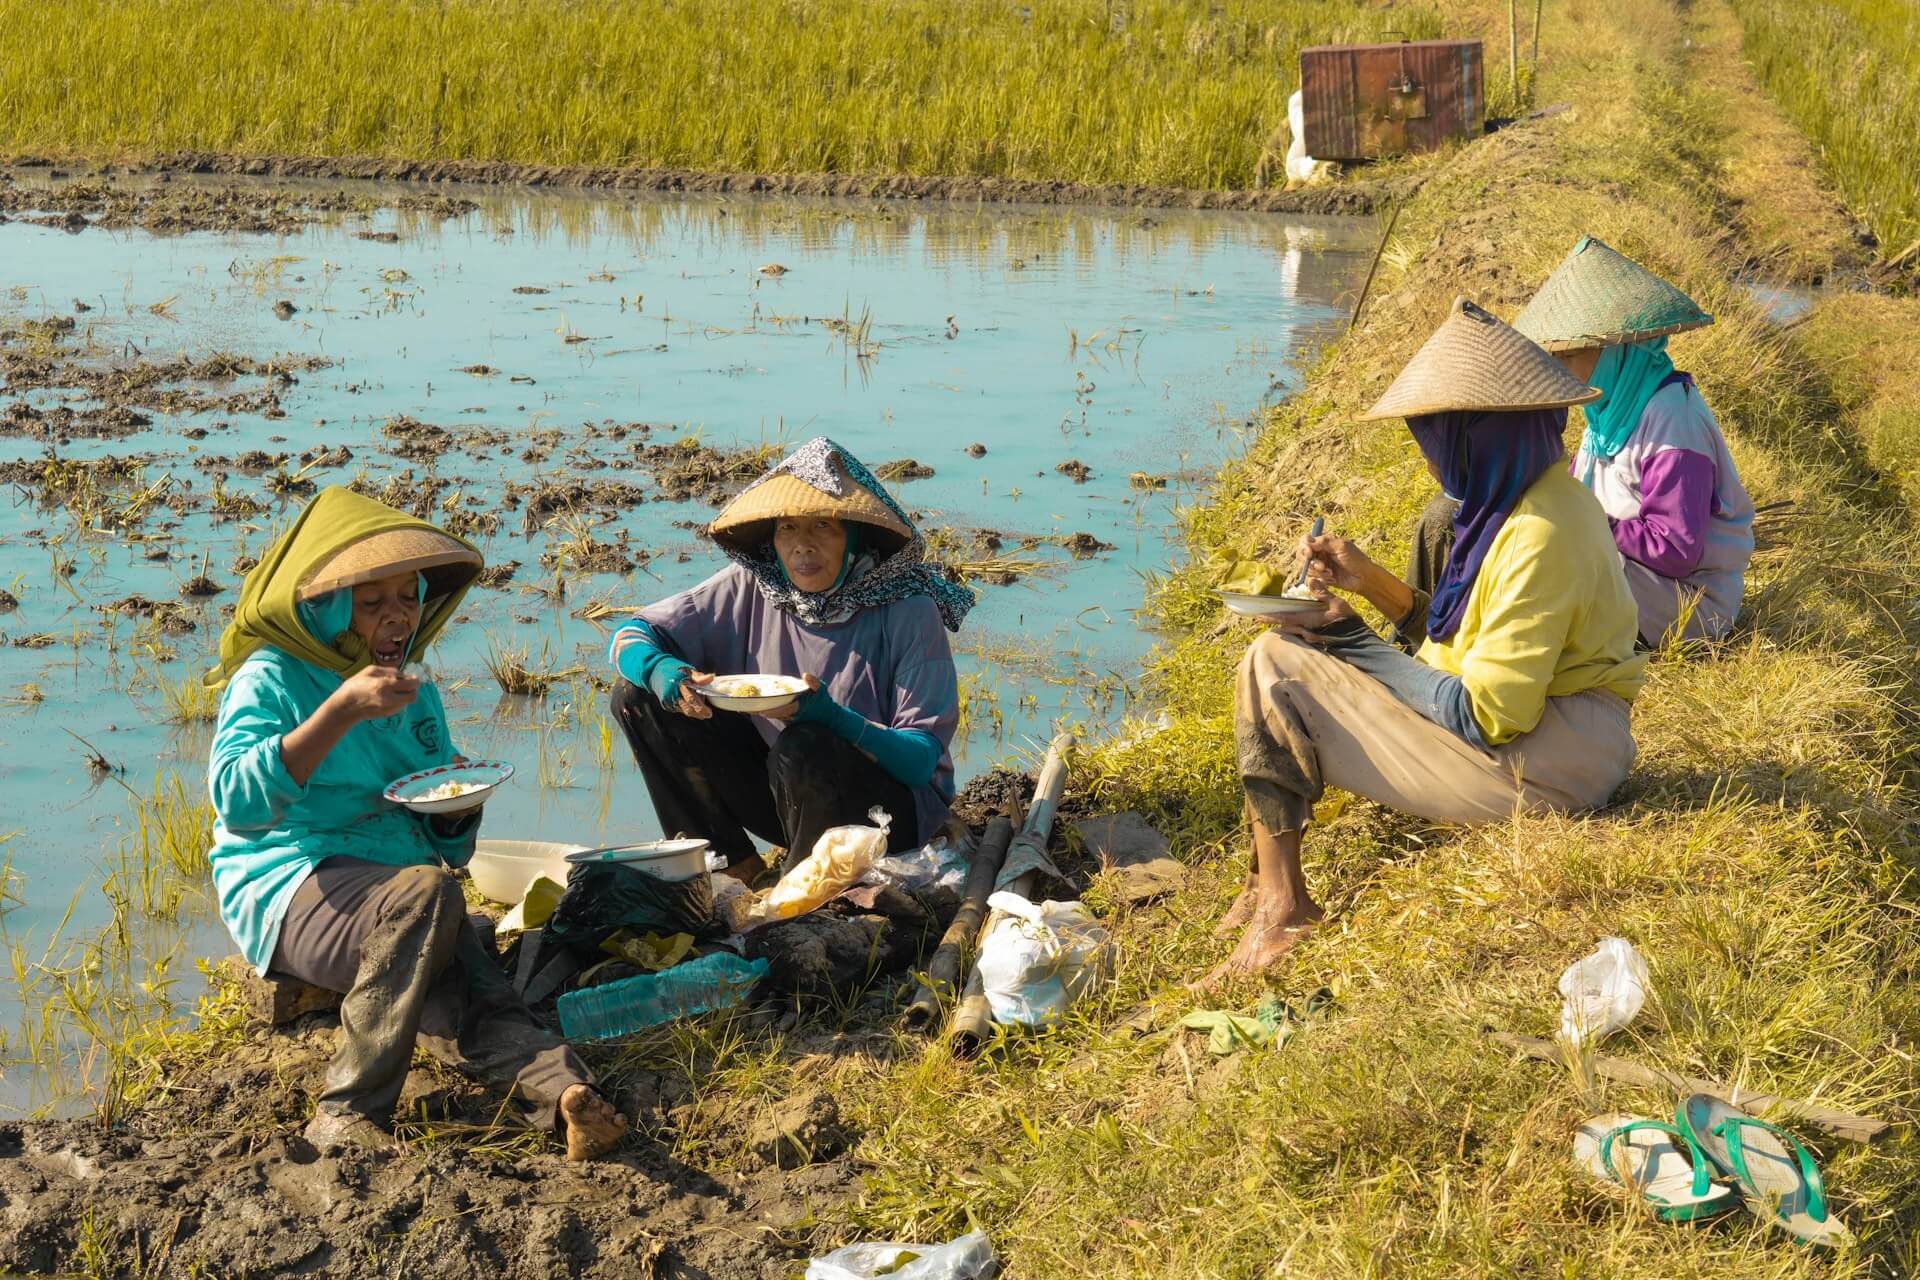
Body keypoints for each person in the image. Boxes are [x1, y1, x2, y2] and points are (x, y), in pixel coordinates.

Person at [1215, 298, 1648, 983]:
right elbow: (1469, 644)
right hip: (1555, 735)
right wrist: (1368, 583)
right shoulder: (1521, 502)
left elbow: (1486, 715)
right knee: (1284, 659)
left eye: (1434, 440)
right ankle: (1265, 886)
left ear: (1474, 437)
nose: (1427, 460)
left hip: (1553, 763)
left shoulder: (1540, 532)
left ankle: (1284, 908)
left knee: (1275, 663)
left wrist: (1350, 638)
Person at [206, 487, 626, 1158]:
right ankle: (347, 1112)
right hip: (292, 879)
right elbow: (237, 801)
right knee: (433, 899)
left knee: (477, 991)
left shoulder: (411, 688)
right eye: (371, 603)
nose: (396, 618)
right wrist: (340, 711)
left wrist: (460, 809)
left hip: (401, 890)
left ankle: (566, 1099)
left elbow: (442, 844)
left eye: (408, 598)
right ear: (325, 607)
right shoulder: (274, 677)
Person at [609, 437, 972, 880]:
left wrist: (832, 718)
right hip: (790, 795)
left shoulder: (908, 608)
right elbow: (630, 636)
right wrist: (663, 672)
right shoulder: (753, 587)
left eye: (822, 527)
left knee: (807, 739)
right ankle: (733, 868)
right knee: (637, 696)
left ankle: (805, 887)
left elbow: (919, 760)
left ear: (855, 537)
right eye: (788, 530)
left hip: (889, 814)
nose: (802, 547)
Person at [1408, 237, 1754, 647]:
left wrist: (1581, 523)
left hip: (1682, 606)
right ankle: (1425, 638)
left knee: (1538, 554)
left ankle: (1469, 652)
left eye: (1570, 356)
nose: (1559, 369)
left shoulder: (1672, 421)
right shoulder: (1608, 411)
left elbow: (1674, 549)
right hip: (1623, 574)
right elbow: (1569, 493)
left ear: (1616, 351)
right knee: (1454, 518)